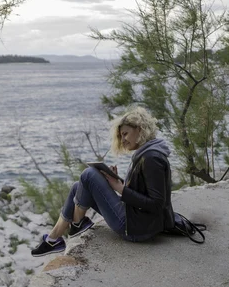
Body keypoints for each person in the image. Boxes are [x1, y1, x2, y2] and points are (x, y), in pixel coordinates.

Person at [31, 106, 175, 257]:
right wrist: (119, 181)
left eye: (125, 134)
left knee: (88, 174)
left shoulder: (152, 158)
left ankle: (77, 224)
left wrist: (120, 188)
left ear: (139, 129)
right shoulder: (146, 153)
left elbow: (157, 204)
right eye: (121, 136)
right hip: (135, 219)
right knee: (77, 186)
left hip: (136, 229)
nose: (123, 139)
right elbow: (142, 190)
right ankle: (54, 239)